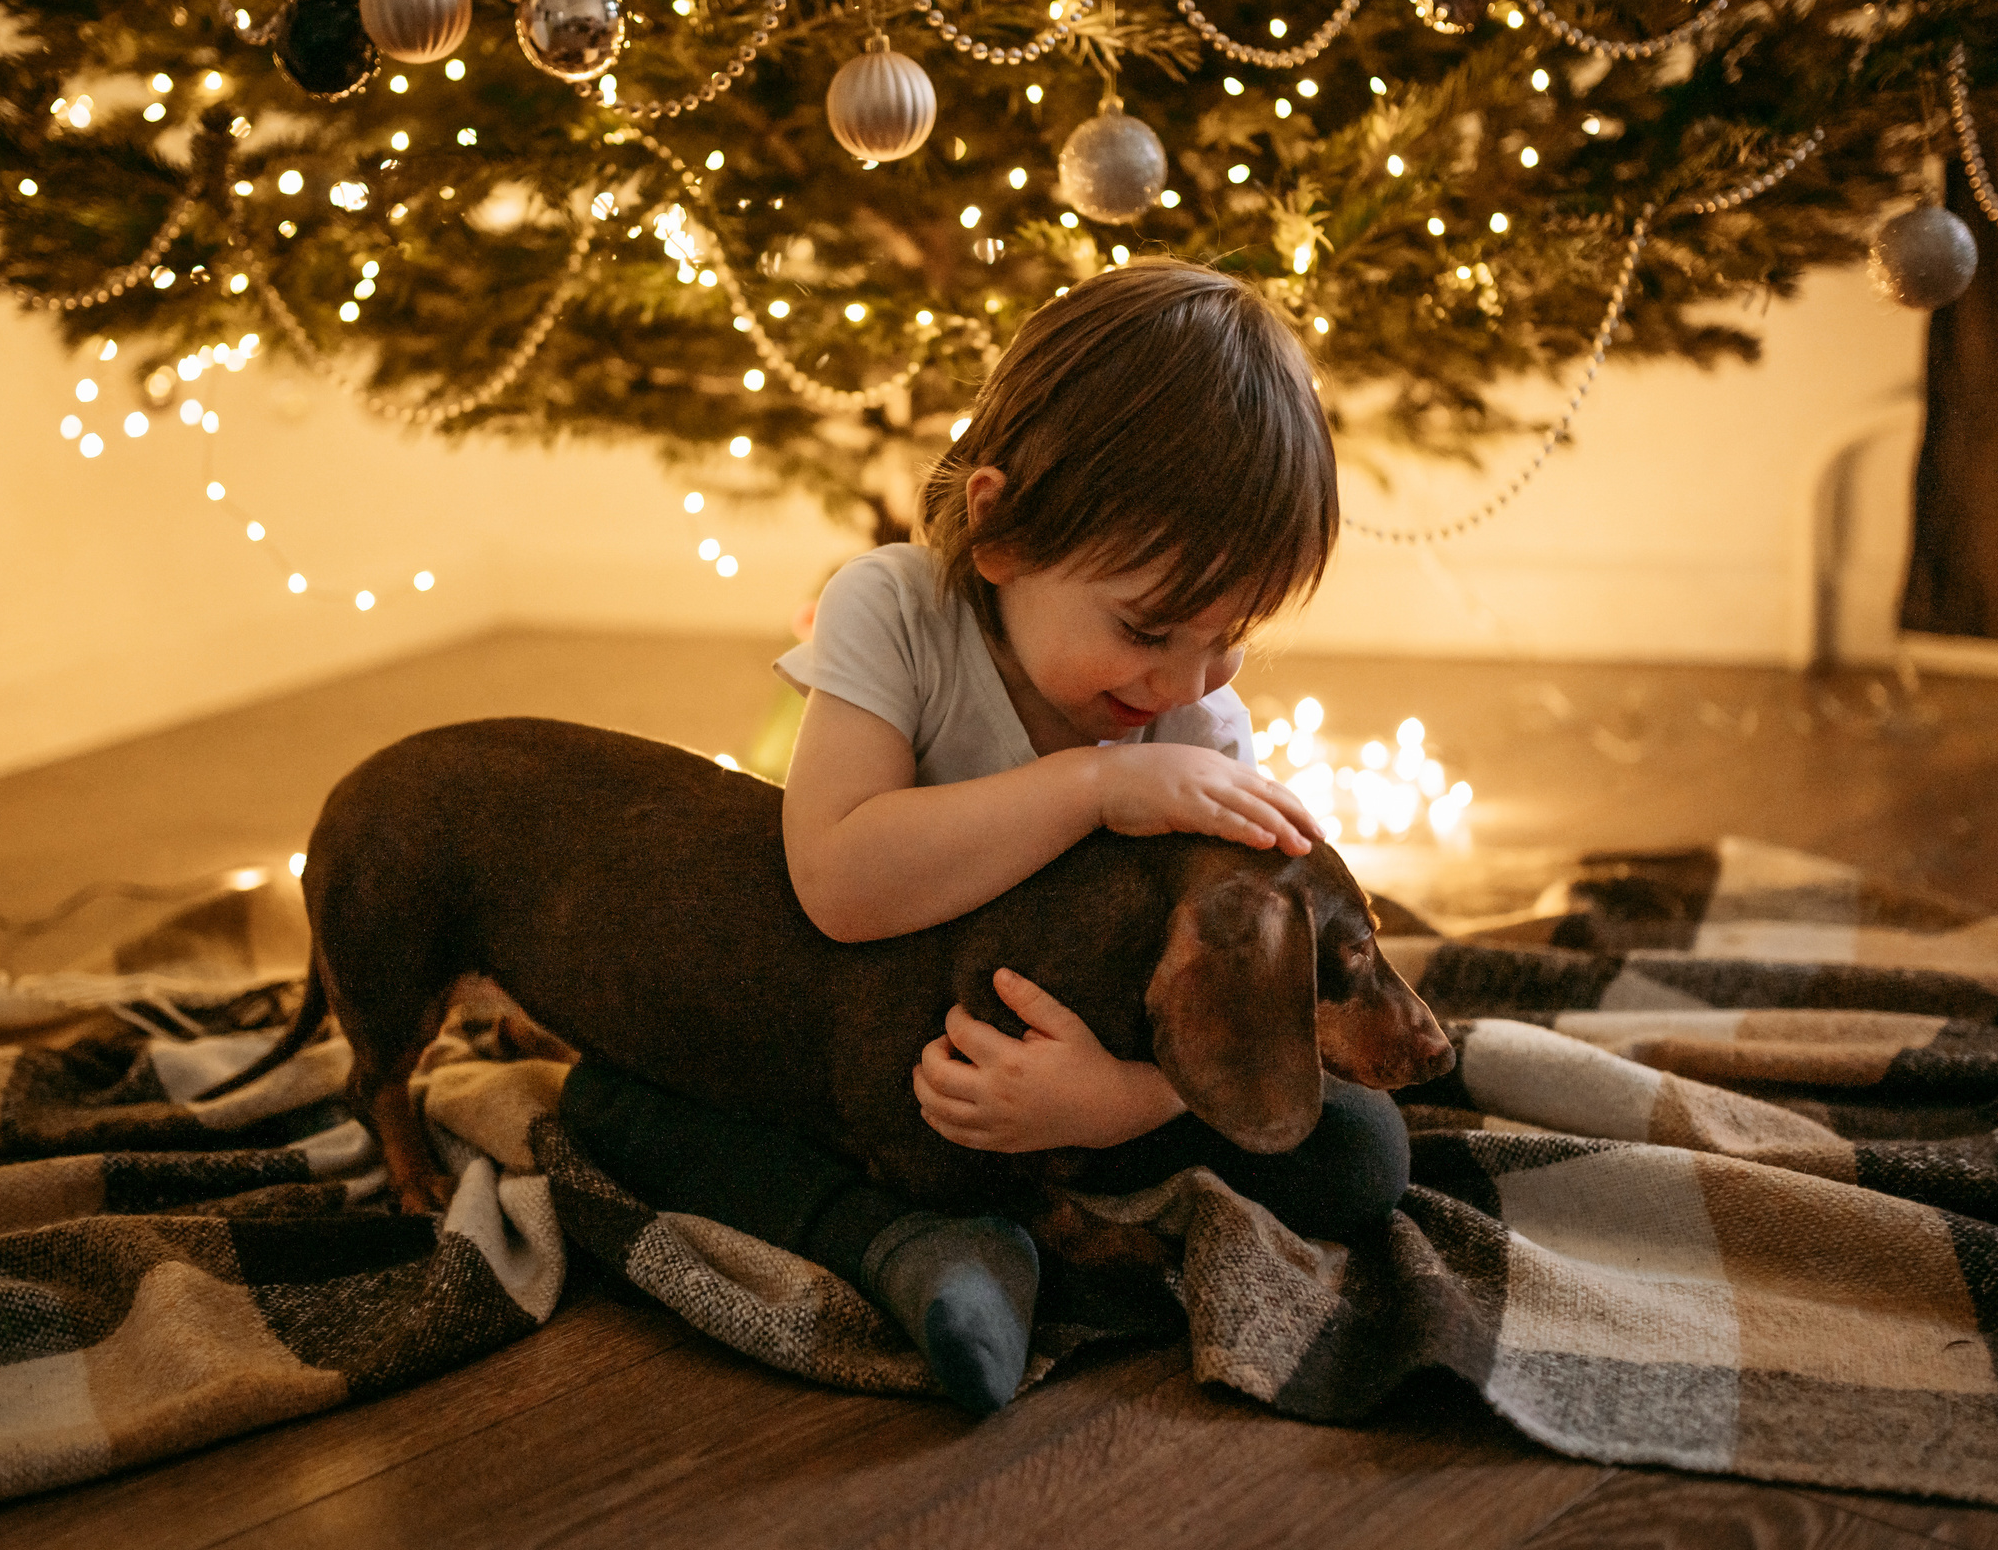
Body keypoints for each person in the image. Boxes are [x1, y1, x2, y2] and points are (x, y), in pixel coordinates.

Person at [559, 260, 1409, 1414]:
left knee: (1361, 1149)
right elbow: (839, 881)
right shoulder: (892, 611)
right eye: (1149, 628)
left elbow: (1240, 994)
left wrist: (1114, 1101)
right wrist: (1094, 790)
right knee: (615, 1107)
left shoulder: (1197, 715)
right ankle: (904, 1242)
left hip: (1062, 1079)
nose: (1187, 676)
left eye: (1231, 636)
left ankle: (1015, 1212)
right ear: (1001, 528)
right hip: (856, 1060)